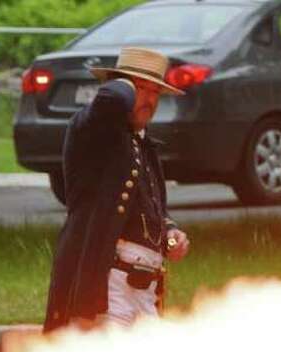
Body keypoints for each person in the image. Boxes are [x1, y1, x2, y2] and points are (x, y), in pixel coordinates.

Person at [43, 47, 192, 332]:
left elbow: (151, 208)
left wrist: (170, 231)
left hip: (144, 290)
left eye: (154, 92)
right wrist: (125, 84)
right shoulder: (93, 128)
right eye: (139, 89)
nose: (147, 99)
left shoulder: (145, 145)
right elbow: (111, 99)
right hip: (107, 285)